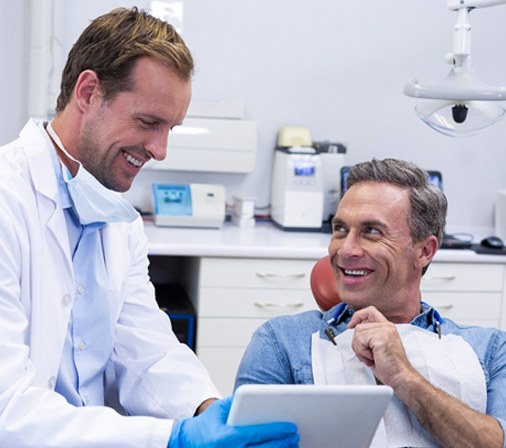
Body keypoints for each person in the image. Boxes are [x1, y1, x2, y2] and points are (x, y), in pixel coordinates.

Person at [0, 7, 299, 448]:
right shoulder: (7, 201)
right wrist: (174, 437)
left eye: (170, 129)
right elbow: (9, 411)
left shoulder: (117, 219)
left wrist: (206, 408)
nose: (159, 150)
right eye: (147, 123)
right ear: (88, 92)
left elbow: (145, 346)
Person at [235, 158, 506, 447]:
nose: (346, 249)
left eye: (372, 231)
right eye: (340, 229)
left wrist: (404, 376)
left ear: (424, 251)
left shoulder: (489, 348)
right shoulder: (283, 342)